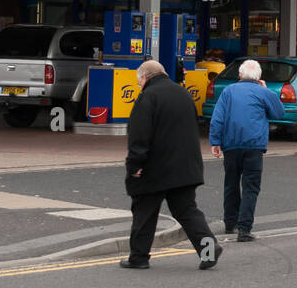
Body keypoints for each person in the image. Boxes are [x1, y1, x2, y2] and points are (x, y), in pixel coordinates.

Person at [122, 60, 221, 271]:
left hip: (155, 167)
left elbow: (139, 135)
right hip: (185, 165)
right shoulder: (183, 94)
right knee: (186, 210)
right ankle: (208, 248)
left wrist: (135, 164)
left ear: (144, 77)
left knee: (145, 211)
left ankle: (138, 257)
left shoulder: (147, 97)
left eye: (139, 81)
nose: (139, 84)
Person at [208, 58, 285, 241]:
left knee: (231, 184)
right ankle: (244, 228)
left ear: (240, 75)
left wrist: (215, 141)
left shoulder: (228, 91)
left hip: (232, 144)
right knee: (251, 187)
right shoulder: (263, 92)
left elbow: (218, 117)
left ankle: (229, 222)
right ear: (259, 77)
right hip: (254, 146)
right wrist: (266, 90)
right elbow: (279, 113)